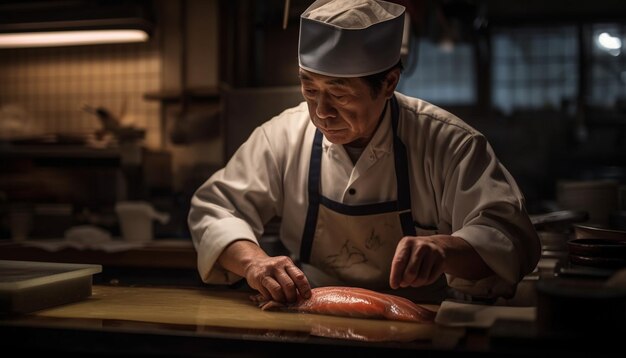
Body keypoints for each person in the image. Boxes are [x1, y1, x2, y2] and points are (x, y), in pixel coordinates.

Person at [188, 0, 540, 304]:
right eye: (309, 89)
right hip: (309, 315)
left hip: (417, 323)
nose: (320, 112)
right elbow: (216, 208)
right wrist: (253, 263)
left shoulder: (448, 143)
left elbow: (507, 236)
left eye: (339, 95)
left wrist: (446, 249)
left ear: (388, 83)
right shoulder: (281, 136)